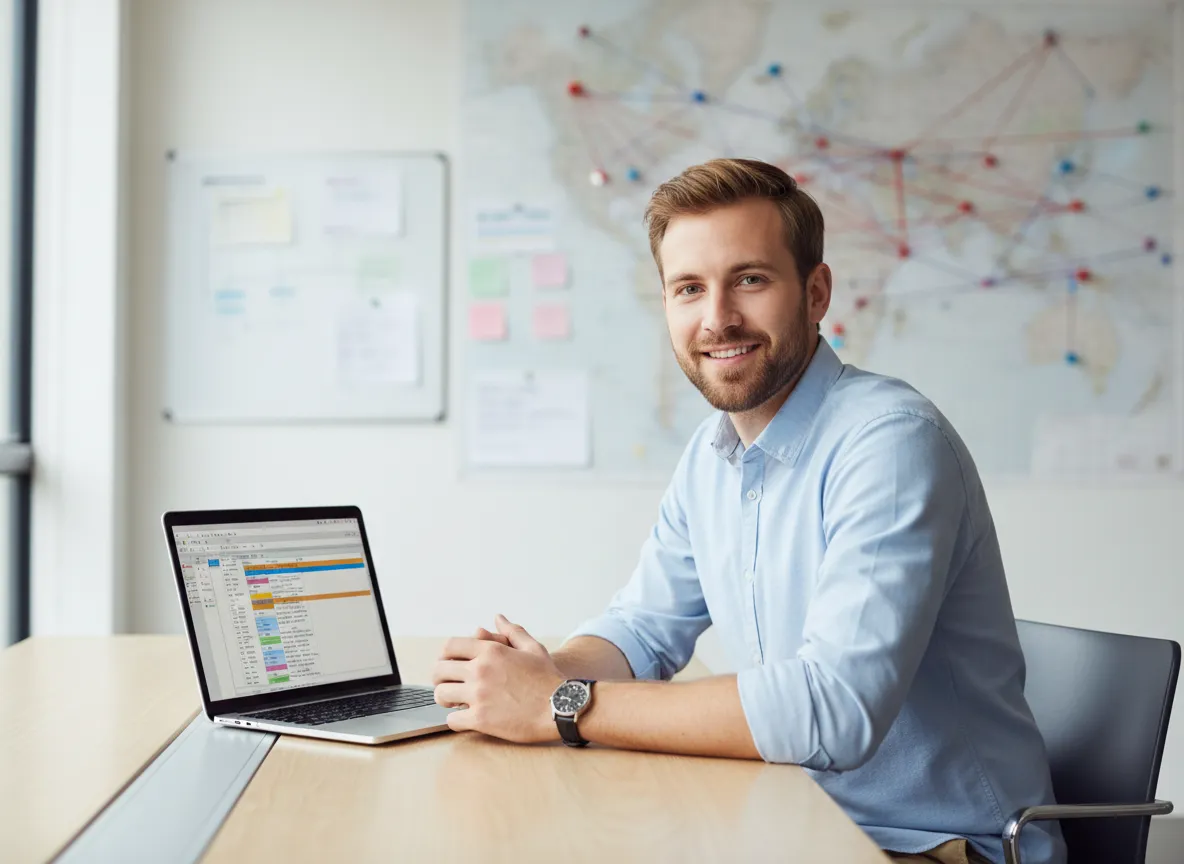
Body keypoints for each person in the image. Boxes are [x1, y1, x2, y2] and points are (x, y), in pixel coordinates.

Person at [432, 158, 1065, 864]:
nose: (717, 318)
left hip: (939, 847)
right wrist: (542, 674)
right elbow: (643, 631)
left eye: (750, 280)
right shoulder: (714, 454)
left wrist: (563, 706)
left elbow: (834, 710)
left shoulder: (891, 444)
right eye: (689, 289)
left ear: (816, 292)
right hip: (795, 820)